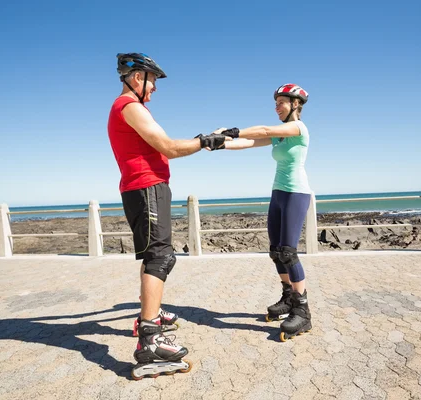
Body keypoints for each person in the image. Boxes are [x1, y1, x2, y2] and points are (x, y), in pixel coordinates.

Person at [107, 52, 228, 378]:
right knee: (159, 258)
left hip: (148, 188)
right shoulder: (129, 107)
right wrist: (205, 141)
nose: (155, 89)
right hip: (145, 188)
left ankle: (151, 316)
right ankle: (149, 340)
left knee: (158, 257)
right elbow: (169, 147)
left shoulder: (131, 109)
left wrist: (207, 139)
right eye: (154, 81)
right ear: (137, 78)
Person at [214, 83, 312, 341]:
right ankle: (288, 297)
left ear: (295, 104)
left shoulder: (297, 128)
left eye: (281, 102)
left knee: (289, 252)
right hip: (278, 192)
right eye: (276, 102)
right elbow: (249, 142)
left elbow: (264, 129)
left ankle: (302, 312)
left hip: (296, 192)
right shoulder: (279, 135)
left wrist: (231, 130)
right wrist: (219, 143)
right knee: (276, 251)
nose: (276, 107)